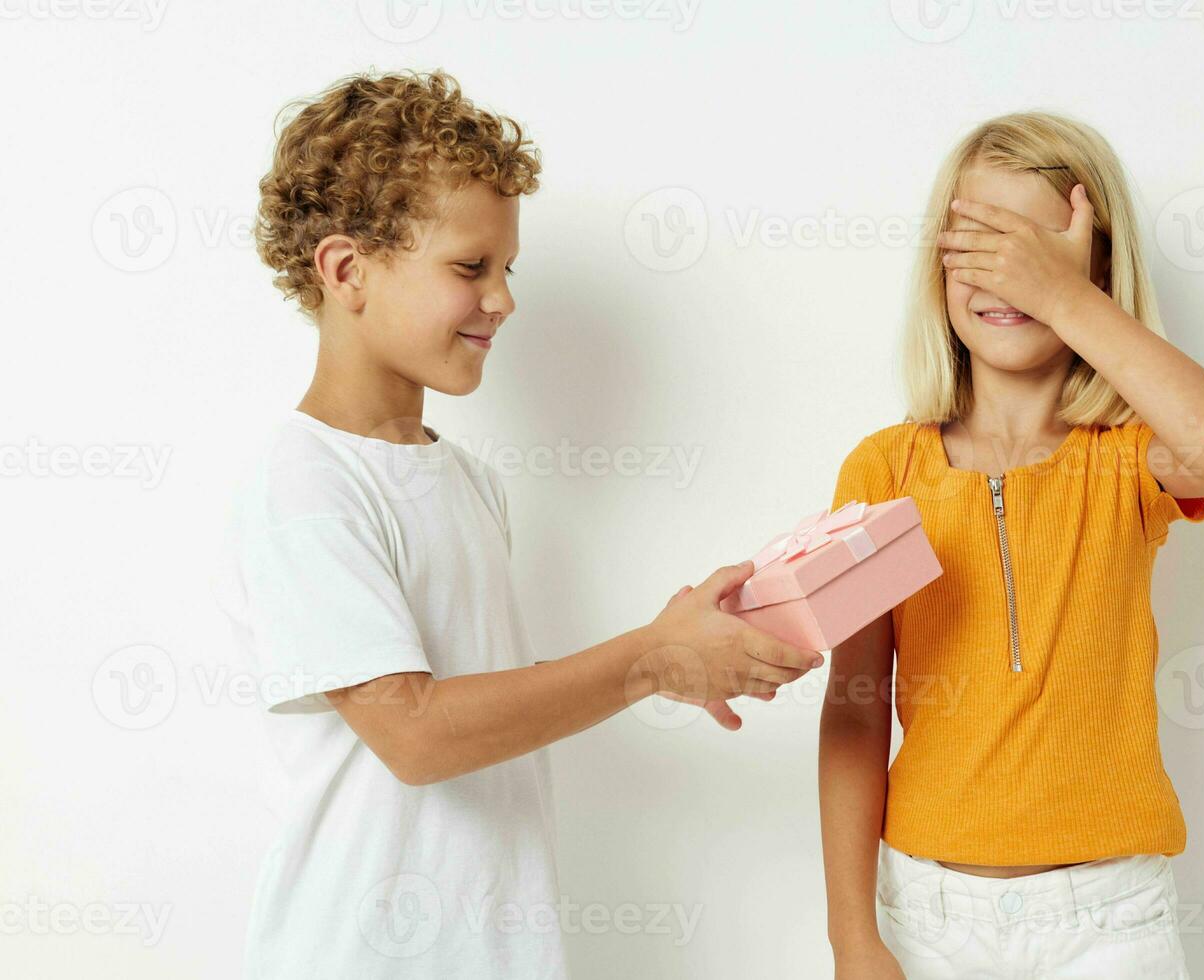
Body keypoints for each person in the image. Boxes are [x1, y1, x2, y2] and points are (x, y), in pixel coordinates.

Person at [217, 69, 821, 979]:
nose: (503, 299)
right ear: (346, 271)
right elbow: (415, 735)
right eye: (470, 268)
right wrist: (646, 657)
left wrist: (673, 656)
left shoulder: (465, 480)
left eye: (507, 270)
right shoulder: (304, 483)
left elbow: (473, 696)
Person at [819, 112, 1204, 979]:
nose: (1002, 273)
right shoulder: (884, 470)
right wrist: (851, 937)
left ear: (1096, 266)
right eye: (977, 243)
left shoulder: (1132, 458)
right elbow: (855, 706)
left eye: (1031, 249)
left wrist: (1063, 295)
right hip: (927, 915)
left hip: (1111, 920)